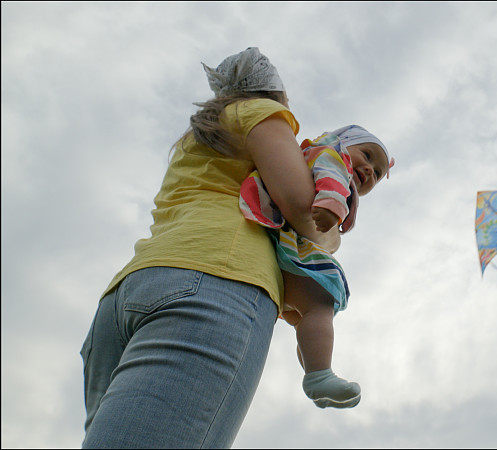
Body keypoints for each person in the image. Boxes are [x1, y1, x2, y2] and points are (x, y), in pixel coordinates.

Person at [79, 47, 380, 448]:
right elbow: (302, 208)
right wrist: (331, 229)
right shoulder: (261, 113)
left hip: (129, 291)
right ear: (274, 92)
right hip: (217, 280)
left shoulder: (201, 135)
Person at [239, 124, 393, 408]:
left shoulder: (327, 159)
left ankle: (317, 376)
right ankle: (318, 376)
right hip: (287, 242)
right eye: (367, 155)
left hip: (275, 243)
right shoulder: (331, 154)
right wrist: (332, 205)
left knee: (306, 318)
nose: (371, 169)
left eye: (379, 173)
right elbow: (329, 175)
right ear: (343, 143)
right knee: (320, 304)